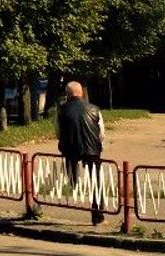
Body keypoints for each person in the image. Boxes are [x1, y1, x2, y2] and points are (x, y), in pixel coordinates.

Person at [57, 81, 106, 225]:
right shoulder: (95, 109)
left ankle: (73, 181)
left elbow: (58, 133)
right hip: (92, 151)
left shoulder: (61, 110)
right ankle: (98, 216)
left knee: (72, 168)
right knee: (96, 181)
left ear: (67, 95)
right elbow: (101, 134)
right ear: (82, 93)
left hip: (70, 150)